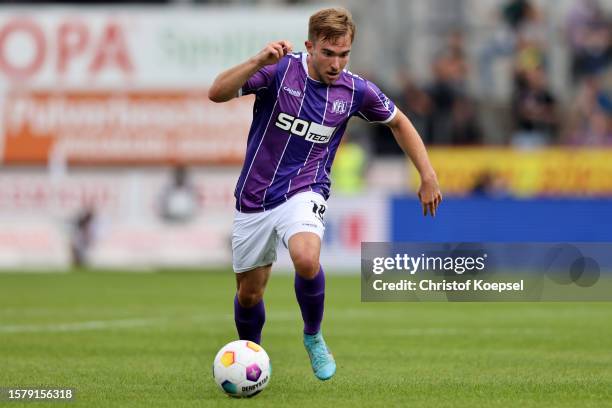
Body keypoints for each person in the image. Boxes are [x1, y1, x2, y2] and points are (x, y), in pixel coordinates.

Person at [208, 7, 441, 381]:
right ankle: (253, 359)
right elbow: (216, 93)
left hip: (306, 188)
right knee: (249, 295)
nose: (336, 63)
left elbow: (399, 122)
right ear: (309, 47)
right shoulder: (280, 71)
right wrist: (258, 60)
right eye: (328, 53)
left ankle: (313, 336)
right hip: (255, 195)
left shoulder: (355, 90)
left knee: (305, 257)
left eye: (344, 54)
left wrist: (427, 173)